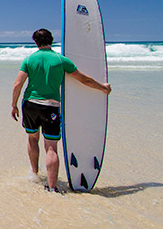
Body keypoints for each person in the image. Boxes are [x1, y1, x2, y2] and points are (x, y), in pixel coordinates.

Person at [11, 29, 111, 193]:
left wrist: (13, 105)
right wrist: (103, 88)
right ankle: (52, 187)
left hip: (30, 105)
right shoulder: (61, 60)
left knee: (32, 138)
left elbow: (17, 85)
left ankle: (34, 174)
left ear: (36, 42)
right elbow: (83, 79)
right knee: (51, 147)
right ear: (51, 40)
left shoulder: (29, 59)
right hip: (51, 107)